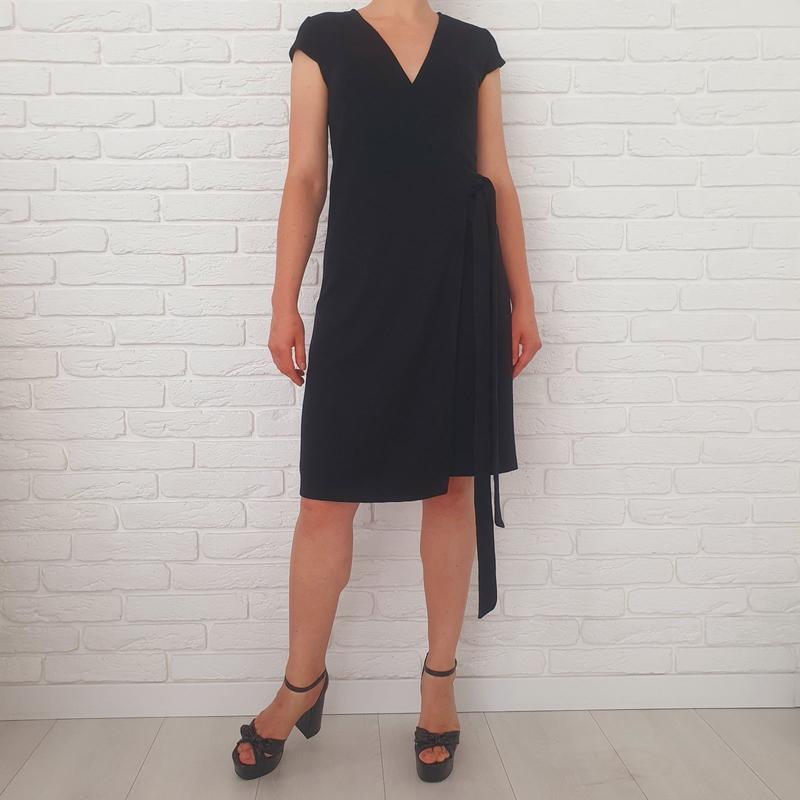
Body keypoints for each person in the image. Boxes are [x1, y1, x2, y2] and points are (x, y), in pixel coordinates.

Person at [232, 0, 541, 783]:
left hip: (459, 290)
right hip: (361, 295)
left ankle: (439, 684)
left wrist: (524, 301)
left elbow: (496, 177)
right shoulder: (325, 38)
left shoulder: (474, 48)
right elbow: (306, 176)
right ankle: (302, 682)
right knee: (324, 498)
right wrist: (282, 303)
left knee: (452, 489)